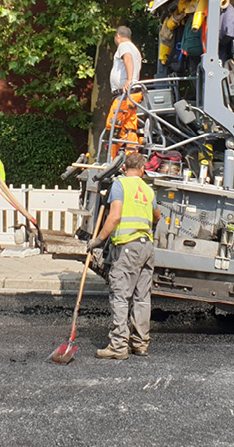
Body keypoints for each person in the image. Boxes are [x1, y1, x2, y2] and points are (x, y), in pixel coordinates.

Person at [86, 152, 160, 359]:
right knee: (142, 298)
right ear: (143, 170)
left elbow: (115, 216)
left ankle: (118, 346)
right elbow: (157, 216)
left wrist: (98, 240)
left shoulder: (120, 184)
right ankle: (140, 343)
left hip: (127, 247)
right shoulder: (148, 190)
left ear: (124, 168)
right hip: (146, 247)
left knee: (120, 295)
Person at [106, 25, 144, 155]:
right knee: (130, 126)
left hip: (125, 94)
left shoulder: (124, 46)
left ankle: (113, 156)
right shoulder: (135, 49)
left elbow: (127, 58)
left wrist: (129, 80)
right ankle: (131, 156)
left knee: (114, 124)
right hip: (133, 93)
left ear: (118, 36)